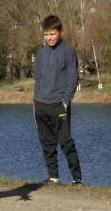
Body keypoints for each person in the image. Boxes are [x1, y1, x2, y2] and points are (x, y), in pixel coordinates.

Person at [33, 14, 83, 186]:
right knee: (47, 143)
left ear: (61, 32)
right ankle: (53, 177)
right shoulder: (40, 54)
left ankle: (77, 179)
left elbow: (73, 79)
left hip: (59, 105)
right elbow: (38, 78)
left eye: (52, 34)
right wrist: (36, 99)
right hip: (41, 104)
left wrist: (65, 101)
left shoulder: (69, 53)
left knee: (66, 142)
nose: (49, 38)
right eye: (46, 34)